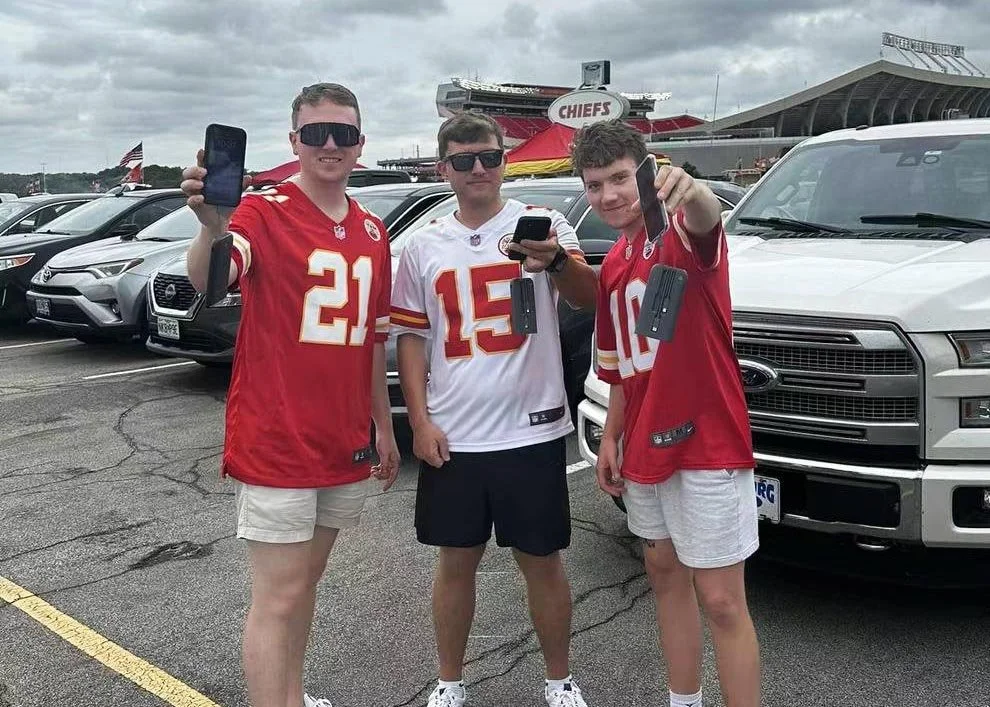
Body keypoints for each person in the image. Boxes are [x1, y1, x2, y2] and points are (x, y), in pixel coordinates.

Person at [180, 82, 401, 707]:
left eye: (343, 133)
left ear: (360, 144)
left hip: (342, 441)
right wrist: (212, 224)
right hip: (277, 438)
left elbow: (369, 342)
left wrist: (383, 429)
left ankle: (294, 696)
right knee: (276, 599)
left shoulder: (372, 230)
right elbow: (213, 278)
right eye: (315, 133)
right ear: (294, 141)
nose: (329, 145)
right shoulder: (262, 211)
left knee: (304, 587)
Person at [390, 112, 598, 707]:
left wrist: (554, 261)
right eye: (463, 160)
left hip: (530, 428)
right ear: (443, 168)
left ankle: (558, 681)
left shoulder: (545, 223)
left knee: (543, 562)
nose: (478, 169)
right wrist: (420, 419)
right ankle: (449, 682)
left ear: (505, 159)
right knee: (456, 564)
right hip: (455, 433)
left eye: (489, 157)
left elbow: (588, 298)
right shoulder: (422, 243)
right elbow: (412, 337)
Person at [570, 120, 760, 707]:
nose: (609, 195)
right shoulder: (612, 266)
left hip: (705, 442)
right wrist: (611, 440)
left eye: (621, 178)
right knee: (665, 576)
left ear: (646, 171)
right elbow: (625, 371)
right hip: (646, 447)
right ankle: (683, 700)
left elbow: (705, 217)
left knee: (724, 600)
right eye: (595, 184)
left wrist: (693, 189)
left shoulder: (678, 234)